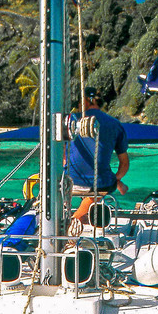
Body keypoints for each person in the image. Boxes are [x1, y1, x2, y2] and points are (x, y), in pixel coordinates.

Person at [64, 89, 129, 220]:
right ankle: (75, 219)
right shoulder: (115, 125)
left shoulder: (70, 121)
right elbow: (124, 164)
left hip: (69, 180)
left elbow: (63, 159)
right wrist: (117, 179)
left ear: (86, 101)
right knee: (102, 185)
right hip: (99, 183)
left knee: (74, 183)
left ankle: (74, 217)